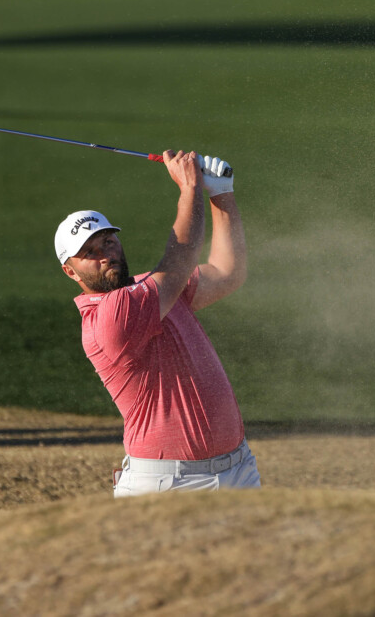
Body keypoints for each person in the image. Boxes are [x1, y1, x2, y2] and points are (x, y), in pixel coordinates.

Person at [53, 149, 260, 497]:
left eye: (107, 240)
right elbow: (180, 257)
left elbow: (227, 273)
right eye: (89, 252)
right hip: (170, 483)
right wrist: (190, 187)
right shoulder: (110, 316)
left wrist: (222, 194)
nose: (105, 253)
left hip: (238, 469)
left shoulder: (155, 289)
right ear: (70, 271)